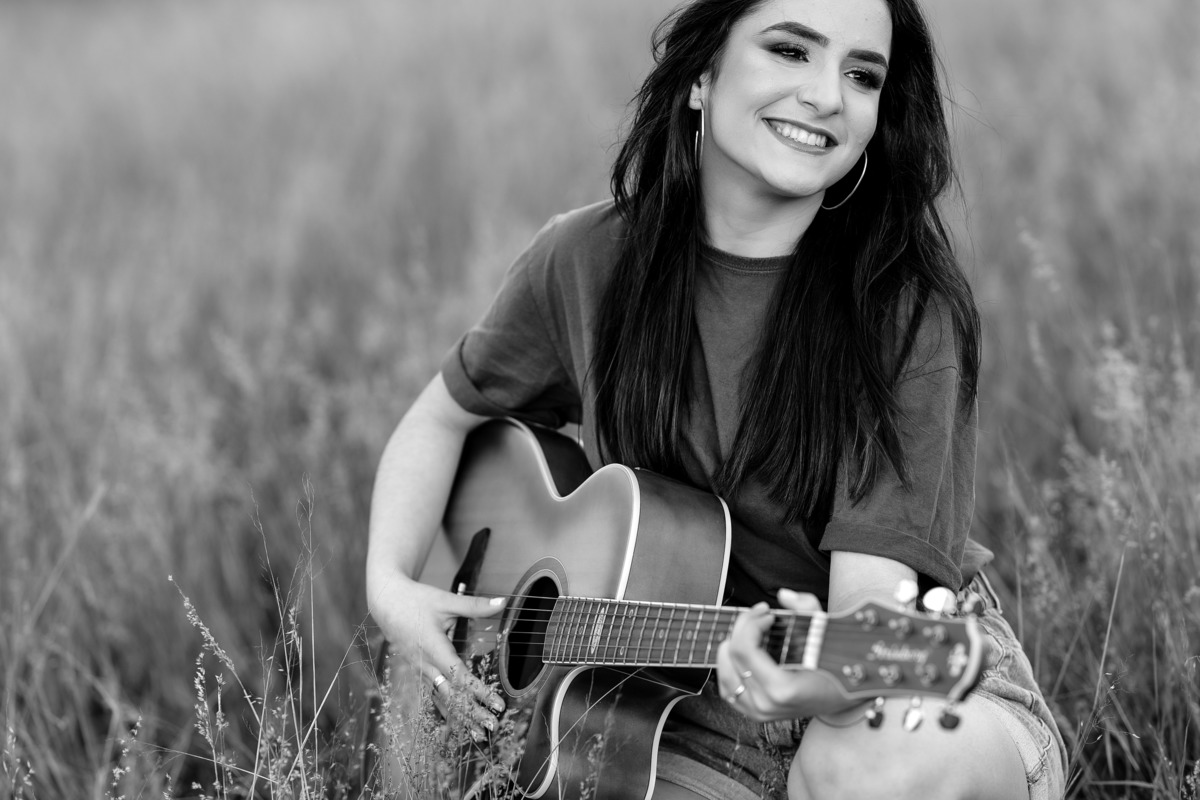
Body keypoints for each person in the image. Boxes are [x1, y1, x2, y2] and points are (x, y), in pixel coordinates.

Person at [366, 0, 1068, 797]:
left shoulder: (902, 312)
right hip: (661, 711)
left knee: (851, 774)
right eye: (790, 50)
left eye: (862, 75)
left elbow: (869, 616)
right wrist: (392, 588)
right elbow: (441, 418)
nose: (827, 96)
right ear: (702, 74)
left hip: (897, 699)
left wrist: (817, 682)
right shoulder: (586, 259)